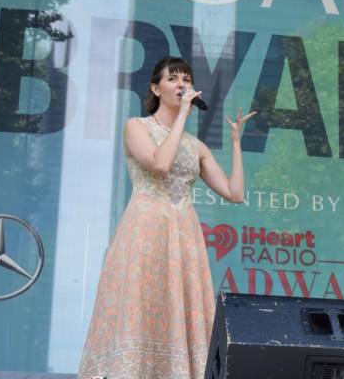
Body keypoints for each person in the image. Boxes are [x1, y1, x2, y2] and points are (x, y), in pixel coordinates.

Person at [78, 56, 255, 378]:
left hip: (184, 230)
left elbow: (234, 193)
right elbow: (159, 164)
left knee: (180, 306)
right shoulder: (136, 126)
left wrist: (235, 143)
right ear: (155, 88)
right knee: (141, 302)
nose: (182, 84)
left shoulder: (196, 146)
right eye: (173, 79)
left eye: (186, 79)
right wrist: (183, 114)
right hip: (145, 227)